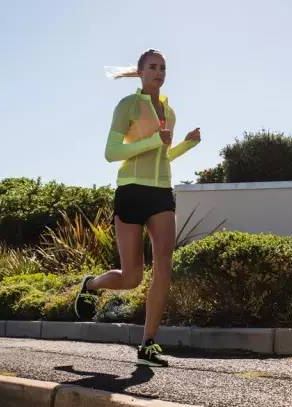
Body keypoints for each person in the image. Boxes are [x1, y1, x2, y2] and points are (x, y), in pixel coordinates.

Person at [74, 49, 201, 367]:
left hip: (161, 193)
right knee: (132, 277)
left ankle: (148, 343)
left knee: (164, 265)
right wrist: (155, 141)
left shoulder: (169, 112)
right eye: (153, 67)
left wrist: (184, 144)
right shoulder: (128, 105)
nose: (159, 72)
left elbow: (162, 157)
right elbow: (111, 152)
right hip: (131, 191)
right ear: (141, 72)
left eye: (163, 67)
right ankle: (92, 285)